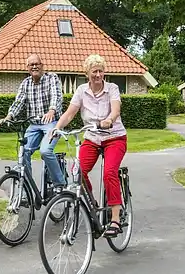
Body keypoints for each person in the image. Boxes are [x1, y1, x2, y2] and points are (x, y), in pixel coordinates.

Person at [53, 54, 127, 238]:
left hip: (114, 137)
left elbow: (116, 109)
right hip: (92, 138)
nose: (98, 75)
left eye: (101, 71)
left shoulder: (112, 88)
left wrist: (109, 119)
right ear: (87, 73)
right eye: (94, 71)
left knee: (109, 172)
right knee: (78, 170)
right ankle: (92, 202)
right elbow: (70, 114)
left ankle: (116, 219)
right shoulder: (81, 91)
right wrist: (57, 128)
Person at [0, 53, 66, 192]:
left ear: (42, 65)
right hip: (34, 124)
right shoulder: (25, 83)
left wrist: (51, 111)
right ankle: (26, 185)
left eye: (37, 64)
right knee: (23, 152)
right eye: (31, 64)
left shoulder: (52, 78)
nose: (34, 66)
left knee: (45, 151)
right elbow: (18, 102)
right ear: (27, 68)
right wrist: (9, 116)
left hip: (51, 122)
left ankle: (60, 184)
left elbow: (56, 96)